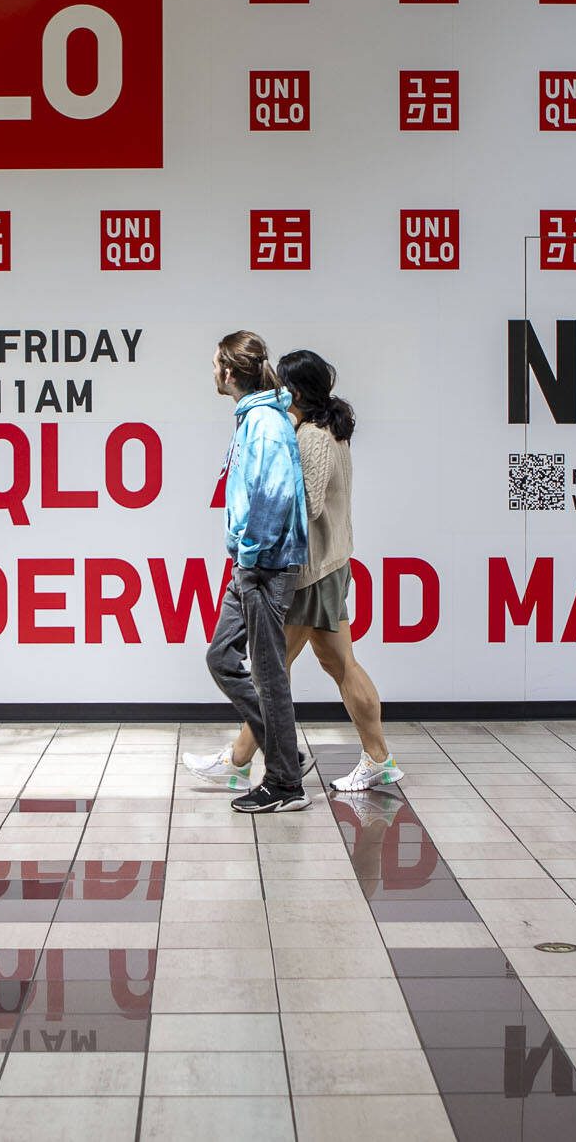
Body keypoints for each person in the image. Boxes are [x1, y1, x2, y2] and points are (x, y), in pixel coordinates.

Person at [185, 350, 402, 793]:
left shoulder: (313, 438)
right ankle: (375, 757)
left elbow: (307, 504)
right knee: (337, 664)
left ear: (296, 392)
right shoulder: (325, 429)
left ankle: (244, 759)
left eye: (283, 387)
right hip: (330, 564)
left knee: (273, 669)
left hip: (311, 570)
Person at [198, 330, 311, 813]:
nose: (211, 372)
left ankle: (286, 785)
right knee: (222, 657)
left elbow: (276, 496)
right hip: (250, 566)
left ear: (228, 371)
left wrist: (249, 554)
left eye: (214, 363)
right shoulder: (253, 419)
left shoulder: (264, 423)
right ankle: (285, 754)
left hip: (262, 567)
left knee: (268, 676)